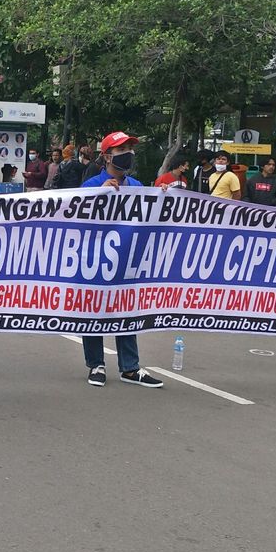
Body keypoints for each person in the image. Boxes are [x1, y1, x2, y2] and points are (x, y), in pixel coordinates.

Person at [78, 131, 164, 388]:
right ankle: (96, 364)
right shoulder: (91, 185)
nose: (128, 153)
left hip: (127, 262)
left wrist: (165, 197)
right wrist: (97, 196)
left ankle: (130, 368)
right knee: (93, 312)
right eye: (121, 149)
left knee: (127, 310)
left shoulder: (137, 187)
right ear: (106, 156)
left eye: (130, 148)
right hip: (95, 260)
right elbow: (75, 220)